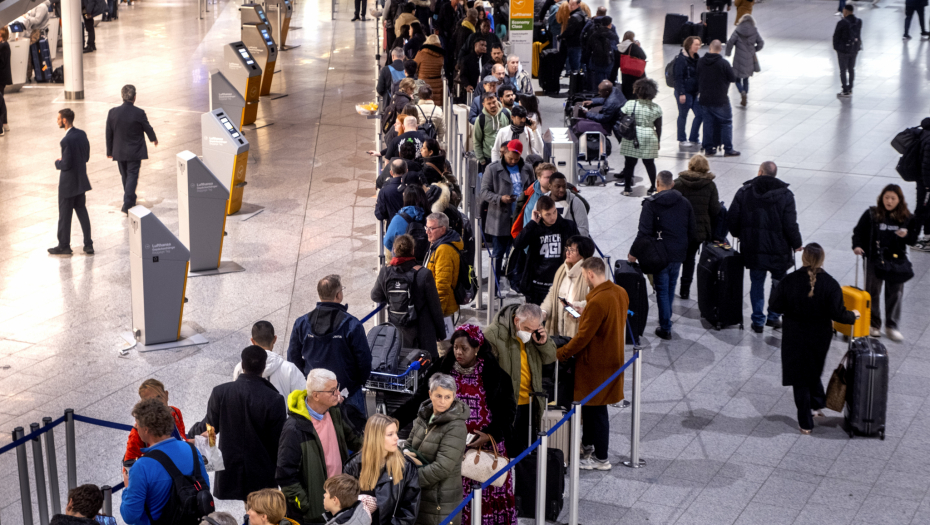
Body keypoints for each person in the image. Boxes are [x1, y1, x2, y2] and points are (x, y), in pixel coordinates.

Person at [391, 324, 516, 525]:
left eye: (464, 348)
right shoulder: (442, 369)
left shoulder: (495, 374)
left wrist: (491, 434)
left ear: (477, 348)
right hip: (447, 449)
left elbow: (507, 412)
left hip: (481, 452)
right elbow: (419, 401)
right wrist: (392, 422)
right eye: (455, 347)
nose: (458, 352)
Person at [770, 244, 860, 434]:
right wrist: (853, 315)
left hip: (794, 334)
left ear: (804, 259)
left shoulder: (789, 280)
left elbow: (775, 306)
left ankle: (806, 422)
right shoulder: (830, 284)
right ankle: (816, 405)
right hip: (820, 335)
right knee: (812, 369)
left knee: (799, 378)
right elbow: (838, 314)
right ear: (822, 260)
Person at [556, 257, 627, 469]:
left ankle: (601, 459)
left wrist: (561, 353)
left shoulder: (597, 301)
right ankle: (588, 447)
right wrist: (571, 309)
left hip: (595, 364)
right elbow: (595, 321)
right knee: (592, 408)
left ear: (590, 274)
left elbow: (583, 337)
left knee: (597, 412)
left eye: (584, 276)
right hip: (612, 360)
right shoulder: (620, 293)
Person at [277, 368, 364, 523]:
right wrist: (307, 505)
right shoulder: (295, 428)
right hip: (315, 513)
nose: (338, 393)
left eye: (337, 388)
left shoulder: (334, 411)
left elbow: (354, 439)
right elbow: (285, 475)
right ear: (316, 395)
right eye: (332, 391)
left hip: (340, 503)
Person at [727, 161, 803, 333]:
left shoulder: (745, 191)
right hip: (780, 249)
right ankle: (774, 316)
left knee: (757, 282)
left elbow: (732, 218)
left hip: (753, 247)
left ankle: (758, 321)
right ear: (775, 174)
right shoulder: (786, 195)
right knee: (778, 281)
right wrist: (797, 243)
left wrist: (739, 233)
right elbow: (790, 224)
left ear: (760, 172)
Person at [205, 345, 286, 501]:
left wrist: (211, 463)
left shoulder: (220, 392)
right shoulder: (274, 399)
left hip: (228, 467)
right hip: (261, 470)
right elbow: (278, 441)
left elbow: (210, 429)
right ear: (264, 367)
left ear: (242, 365)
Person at [287, 275, 373, 416]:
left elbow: (293, 358)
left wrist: (310, 379)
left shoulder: (301, 323)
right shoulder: (351, 325)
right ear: (339, 295)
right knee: (353, 434)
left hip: (316, 395)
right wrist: (354, 384)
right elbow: (364, 361)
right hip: (347, 393)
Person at [120, 399, 210, 525]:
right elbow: (205, 487)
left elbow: (130, 515)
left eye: (137, 424)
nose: (136, 428)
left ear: (146, 429)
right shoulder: (192, 450)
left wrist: (127, 488)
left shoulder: (142, 467)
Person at [630, 171, 696, 340]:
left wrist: (633, 253)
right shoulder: (685, 203)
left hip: (659, 254)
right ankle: (667, 318)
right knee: (670, 287)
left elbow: (643, 233)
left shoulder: (651, 204)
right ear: (672, 184)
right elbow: (692, 230)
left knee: (662, 290)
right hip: (678, 253)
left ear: (658, 184)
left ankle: (665, 326)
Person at [484, 303, 556, 455]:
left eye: (534, 329)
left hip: (530, 402)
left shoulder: (535, 332)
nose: (530, 333)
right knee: (507, 453)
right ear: (516, 321)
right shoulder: (493, 335)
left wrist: (544, 343)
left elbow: (550, 357)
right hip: (506, 406)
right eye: (527, 329)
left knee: (526, 452)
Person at [852, 184, 920, 342]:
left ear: (899, 200)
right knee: (872, 291)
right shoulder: (872, 214)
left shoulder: (906, 218)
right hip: (874, 259)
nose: (889, 201)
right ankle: (874, 324)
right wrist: (857, 246)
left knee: (895, 292)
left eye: (893, 199)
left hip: (896, 261)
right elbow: (858, 232)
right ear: (881, 198)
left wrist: (906, 234)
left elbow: (913, 240)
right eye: (886, 198)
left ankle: (892, 325)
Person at [404, 374, 469, 525]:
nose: (442, 401)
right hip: (420, 495)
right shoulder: (424, 416)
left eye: (448, 397)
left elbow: (442, 468)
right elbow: (408, 445)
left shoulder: (456, 426)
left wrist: (409, 478)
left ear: (454, 396)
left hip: (440, 501)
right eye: (438, 395)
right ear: (430, 394)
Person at [372, 234, 447, 358]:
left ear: (395, 250)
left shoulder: (386, 271)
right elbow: (435, 306)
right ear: (412, 250)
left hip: (397, 327)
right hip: (421, 329)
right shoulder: (423, 273)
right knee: (423, 365)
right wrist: (441, 333)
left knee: (402, 363)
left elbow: (375, 296)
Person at [343, 414, 421, 525]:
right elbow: (346, 507)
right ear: (376, 437)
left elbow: (409, 511)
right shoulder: (353, 466)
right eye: (390, 434)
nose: (397, 438)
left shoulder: (406, 466)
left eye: (396, 433)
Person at [481, 140, 535, 278]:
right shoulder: (492, 169)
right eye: (510, 158)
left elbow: (532, 189)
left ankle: (514, 280)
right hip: (499, 217)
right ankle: (495, 282)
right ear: (504, 152)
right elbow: (484, 192)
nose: (512, 161)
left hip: (520, 217)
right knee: (498, 252)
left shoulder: (527, 168)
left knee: (516, 252)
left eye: (516, 159)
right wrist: (500, 199)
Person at [512, 196, 580, 305]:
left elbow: (579, 249)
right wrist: (532, 223)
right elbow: (518, 244)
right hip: (536, 286)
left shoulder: (568, 226)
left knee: (559, 319)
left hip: (560, 284)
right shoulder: (534, 228)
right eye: (547, 214)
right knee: (537, 319)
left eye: (554, 212)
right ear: (539, 214)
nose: (552, 217)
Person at [673, 154, 720, 300]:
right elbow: (714, 210)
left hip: (679, 229)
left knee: (674, 258)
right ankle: (685, 290)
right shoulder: (710, 185)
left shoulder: (678, 183)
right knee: (690, 259)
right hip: (698, 231)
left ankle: (669, 286)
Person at [106, 85, 158, 215]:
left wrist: (109, 151)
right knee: (132, 176)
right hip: (135, 151)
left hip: (119, 150)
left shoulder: (112, 112)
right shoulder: (139, 112)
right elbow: (147, 127)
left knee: (125, 176)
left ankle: (130, 198)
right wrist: (153, 138)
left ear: (122, 96)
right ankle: (128, 203)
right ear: (134, 97)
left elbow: (109, 133)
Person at [51, 108, 93, 256]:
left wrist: (58, 163)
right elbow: (86, 157)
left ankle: (64, 246)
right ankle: (88, 244)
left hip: (68, 185)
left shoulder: (66, 140)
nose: (57, 121)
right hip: (81, 182)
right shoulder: (82, 134)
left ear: (64, 120)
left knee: (64, 215)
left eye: (58, 119)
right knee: (82, 213)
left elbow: (66, 164)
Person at [233, 321, 306, 398]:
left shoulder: (241, 366)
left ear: (252, 341)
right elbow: (303, 396)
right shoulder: (290, 369)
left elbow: (236, 394)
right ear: (275, 339)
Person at [540, 235, 595, 337]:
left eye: (572, 250)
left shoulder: (591, 275)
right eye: (567, 249)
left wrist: (576, 307)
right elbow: (553, 294)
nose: (567, 253)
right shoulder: (562, 269)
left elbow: (595, 302)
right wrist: (544, 311)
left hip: (578, 332)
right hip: (559, 332)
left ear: (583, 254)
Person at [615, 78, 663, 196]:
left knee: (629, 164)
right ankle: (653, 187)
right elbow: (658, 127)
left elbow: (622, 117)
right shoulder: (656, 108)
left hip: (632, 136)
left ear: (637, 90)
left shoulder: (630, 104)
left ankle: (627, 188)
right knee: (649, 164)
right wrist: (658, 141)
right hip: (649, 137)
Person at [124, 379, 187, 461]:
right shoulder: (139, 430)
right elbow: (128, 465)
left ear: (166, 395)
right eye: (150, 402)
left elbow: (182, 440)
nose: (156, 404)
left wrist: (201, 440)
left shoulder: (175, 413)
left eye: (158, 397)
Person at [697, 40, 740, 157]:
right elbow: (732, 78)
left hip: (704, 99)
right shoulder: (723, 63)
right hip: (720, 99)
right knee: (726, 123)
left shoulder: (700, 62)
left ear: (709, 48)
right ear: (720, 49)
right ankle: (728, 149)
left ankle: (709, 148)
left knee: (707, 124)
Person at [423, 212, 464, 330]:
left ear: (443, 229)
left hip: (443, 309)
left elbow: (442, 286)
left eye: (431, 228)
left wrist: (436, 314)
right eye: (427, 227)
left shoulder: (443, 250)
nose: (427, 232)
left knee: (443, 347)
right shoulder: (438, 244)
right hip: (441, 307)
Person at [725, 15, 763, 107]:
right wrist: (754, 49)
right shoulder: (754, 30)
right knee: (746, 79)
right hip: (749, 58)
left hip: (738, 58)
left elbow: (730, 42)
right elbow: (761, 43)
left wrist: (728, 53)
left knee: (737, 78)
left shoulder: (737, 30)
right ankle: (745, 93)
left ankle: (742, 92)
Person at [674, 36, 703, 147]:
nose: (698, 47)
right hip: (684, 92)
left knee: (700, 114)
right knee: (683, 115)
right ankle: (682, 139)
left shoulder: (696, 58)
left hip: (694, 92)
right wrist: (681, 93)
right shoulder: (681, 59)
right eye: (696, 44)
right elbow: (678, 77)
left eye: (699, 44)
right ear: (689, 45)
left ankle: (694, 137)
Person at [383, 187, 429, 254]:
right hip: (426, 259)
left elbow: (387, 241)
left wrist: (396, 253)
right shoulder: (430, 216)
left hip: (404, 258)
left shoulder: (398, 219)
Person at [473, 93, 510, 172]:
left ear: (497, 100)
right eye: (489, 103)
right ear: (484, 105)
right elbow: (477, 140)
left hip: (507, 157)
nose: (492, 105)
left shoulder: (507, 113)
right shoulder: (480, 119)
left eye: (494, 102)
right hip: (488, 159)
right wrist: (481, 160)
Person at [833, 4, 862, 97]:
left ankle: (844, 89)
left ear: (845, 11)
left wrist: (836, 48)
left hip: (843, 50)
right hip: (854, 49)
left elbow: (836, 36)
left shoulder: (841, 23)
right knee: (851, 69)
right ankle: (850, 88)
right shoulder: (859, 21)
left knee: (843, 70)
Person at [586, 18, 616, 90]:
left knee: (598, 80)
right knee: (608, 80)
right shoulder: (612, 35)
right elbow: (615, 47)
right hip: (608, 61)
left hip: (597, 61)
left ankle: (598, 94)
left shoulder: (593, 34)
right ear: (609, 25)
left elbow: (588, 48)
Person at [414, 35, 445, 105]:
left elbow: (414, 67)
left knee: (423, 106)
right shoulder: (441, 55)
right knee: (436, 107)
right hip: (438, 85)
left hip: (423, 84)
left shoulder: (421, 53)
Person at [617, 31, 646, 101]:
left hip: (625, 74)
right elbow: (644, 56)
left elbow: (617, 62)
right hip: (635, 72)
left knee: (627, 91)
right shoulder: (633, 46)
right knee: (636, 91)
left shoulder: (619, 47)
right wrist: (639, 47)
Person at [562, 0, 587, 74]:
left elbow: (569, 31)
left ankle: (575, 83)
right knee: (579, 64)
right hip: (580, 43)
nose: (570, 7)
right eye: (569, 5)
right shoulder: (582, 14)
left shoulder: (574, 17)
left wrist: (561, 36)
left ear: (578, 5)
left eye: (573, 5)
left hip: (574, 44)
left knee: (574, 66)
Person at [0, 27, 10, 136]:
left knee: (0, 101)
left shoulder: (2, 46)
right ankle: (5, 123)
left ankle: (2, 125)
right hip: (2, 78)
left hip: (1, 78)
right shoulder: (5, 45)